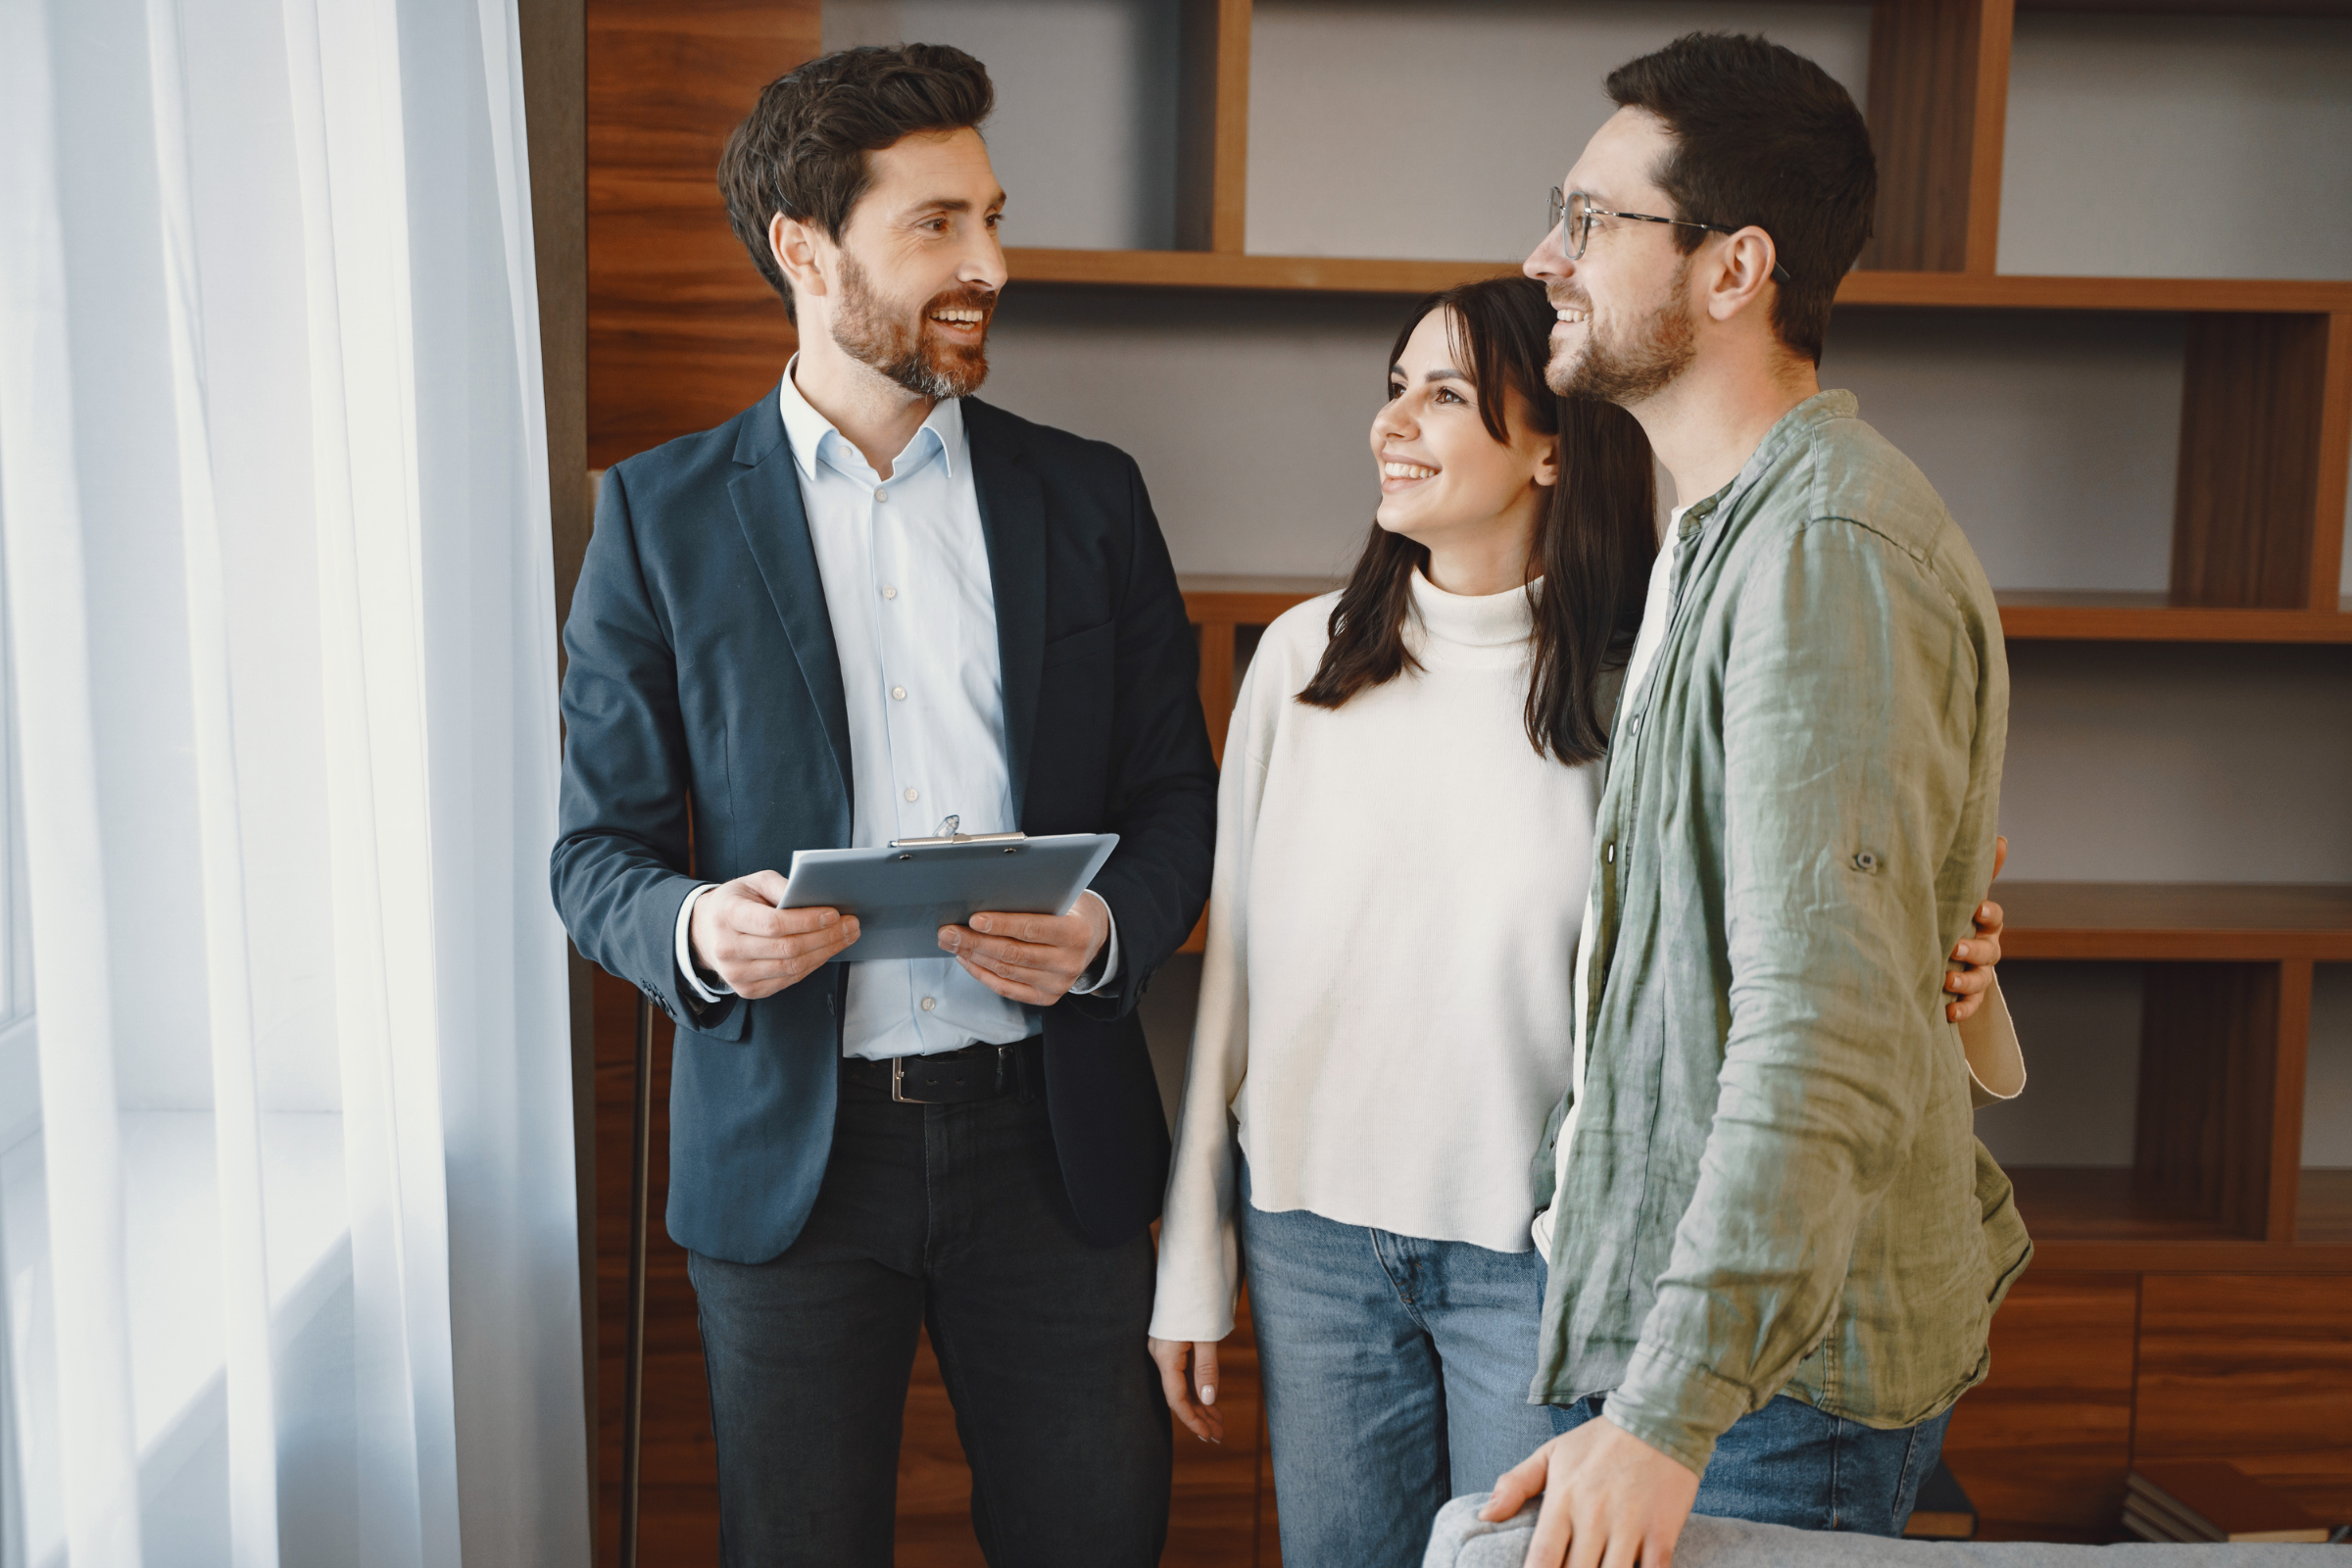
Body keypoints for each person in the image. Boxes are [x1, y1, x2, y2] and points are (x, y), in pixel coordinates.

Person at [1147, 277, 2010, 1567]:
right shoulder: (1298, 662)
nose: (1396, 421)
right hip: (1313, 1247)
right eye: (1395, 386)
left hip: (1537, 1263)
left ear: (1553, 443)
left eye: (1444, 394)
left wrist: (1962, 972)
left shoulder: (1646, 683)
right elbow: (1238, 987)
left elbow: (1782, 959)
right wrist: (1192, 1254)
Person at [551, 45, 1215, 1568]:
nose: (988, 264)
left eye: (991, 217)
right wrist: (699, 929)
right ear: (805, 247)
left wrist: (1110, 928)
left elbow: (1178, 794)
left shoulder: (1090, 497)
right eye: (934, 226)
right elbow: (595, 856)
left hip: (1057, 1153)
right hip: (795, 1164)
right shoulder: (656, 520)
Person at [1481, 32, 2033, 1566]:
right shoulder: (1728, 533)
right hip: (1708, 1357)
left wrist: (1670, 1409)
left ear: (1734, 271)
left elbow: (1825, 1039)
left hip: (1764, 1400)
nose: (1547, 255)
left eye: (1594, 219)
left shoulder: (1820, 556)